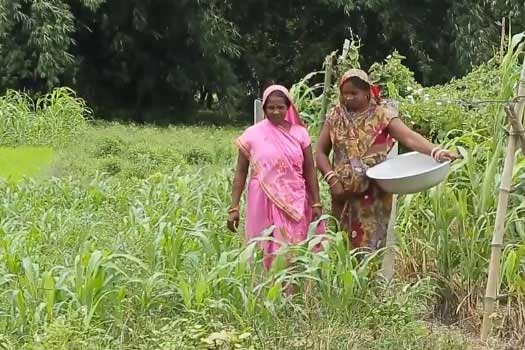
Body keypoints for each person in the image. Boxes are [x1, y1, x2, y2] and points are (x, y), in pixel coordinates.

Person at [316, 69, 457, 251]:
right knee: (342, 248)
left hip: (373, 196)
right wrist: (331, 178)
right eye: (345, 94)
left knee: (370, 248)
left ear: (368, 92)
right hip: (342, 194)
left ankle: (369, 279)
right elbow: (320, 152)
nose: (348, 98)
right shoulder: (336, 116)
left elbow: (409, 137)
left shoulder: (382, 115)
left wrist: (436, 152)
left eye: (354, 93)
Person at [227, 85, 324, 269]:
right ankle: (261, 291)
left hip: (294, 199)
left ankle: (291, 293)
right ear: (264, 108)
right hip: (261, 198)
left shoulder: (300, 134)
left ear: (289, 107)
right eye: (271, 107)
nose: (276, 111)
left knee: (291, 248)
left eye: (280, 107)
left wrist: (316, 202)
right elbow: (241, 171)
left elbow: (309, 168)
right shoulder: (252, 135)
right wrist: (234, 206)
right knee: (261, 245)